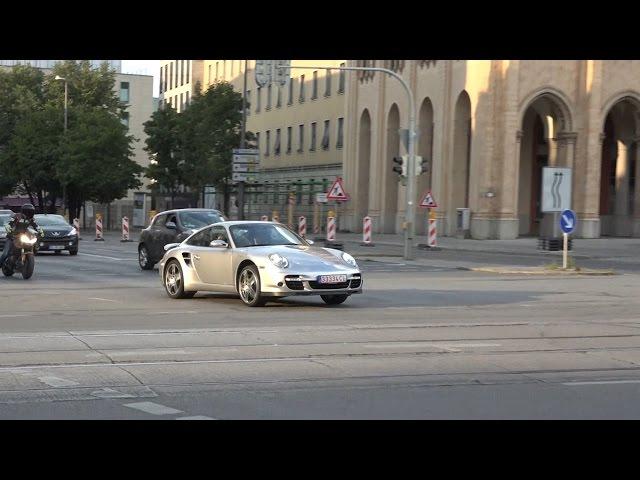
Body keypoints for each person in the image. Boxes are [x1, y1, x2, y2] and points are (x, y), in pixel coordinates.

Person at [0, 204, 44, 268]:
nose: (29, 213)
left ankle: (24, 260)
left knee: (32, 243)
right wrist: (8, 228)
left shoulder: (31, 219)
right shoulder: (17, 216)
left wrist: (40, 231)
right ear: (24, 211)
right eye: (28, 212)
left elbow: (36, 226)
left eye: (31, 212)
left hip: (22, 236)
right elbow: (9, 223)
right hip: (12, 237)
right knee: (5, 254)